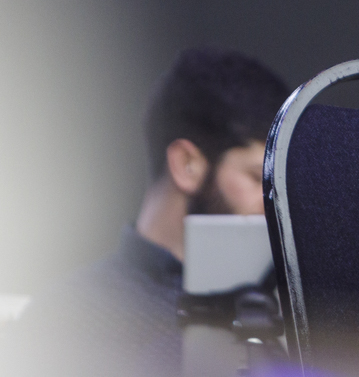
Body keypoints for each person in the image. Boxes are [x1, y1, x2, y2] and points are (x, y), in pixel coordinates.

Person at [1, 47, 289, 377]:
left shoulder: (286, 311)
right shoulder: (61, 322)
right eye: (258, 178)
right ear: (187, 165)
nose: (274, 202)